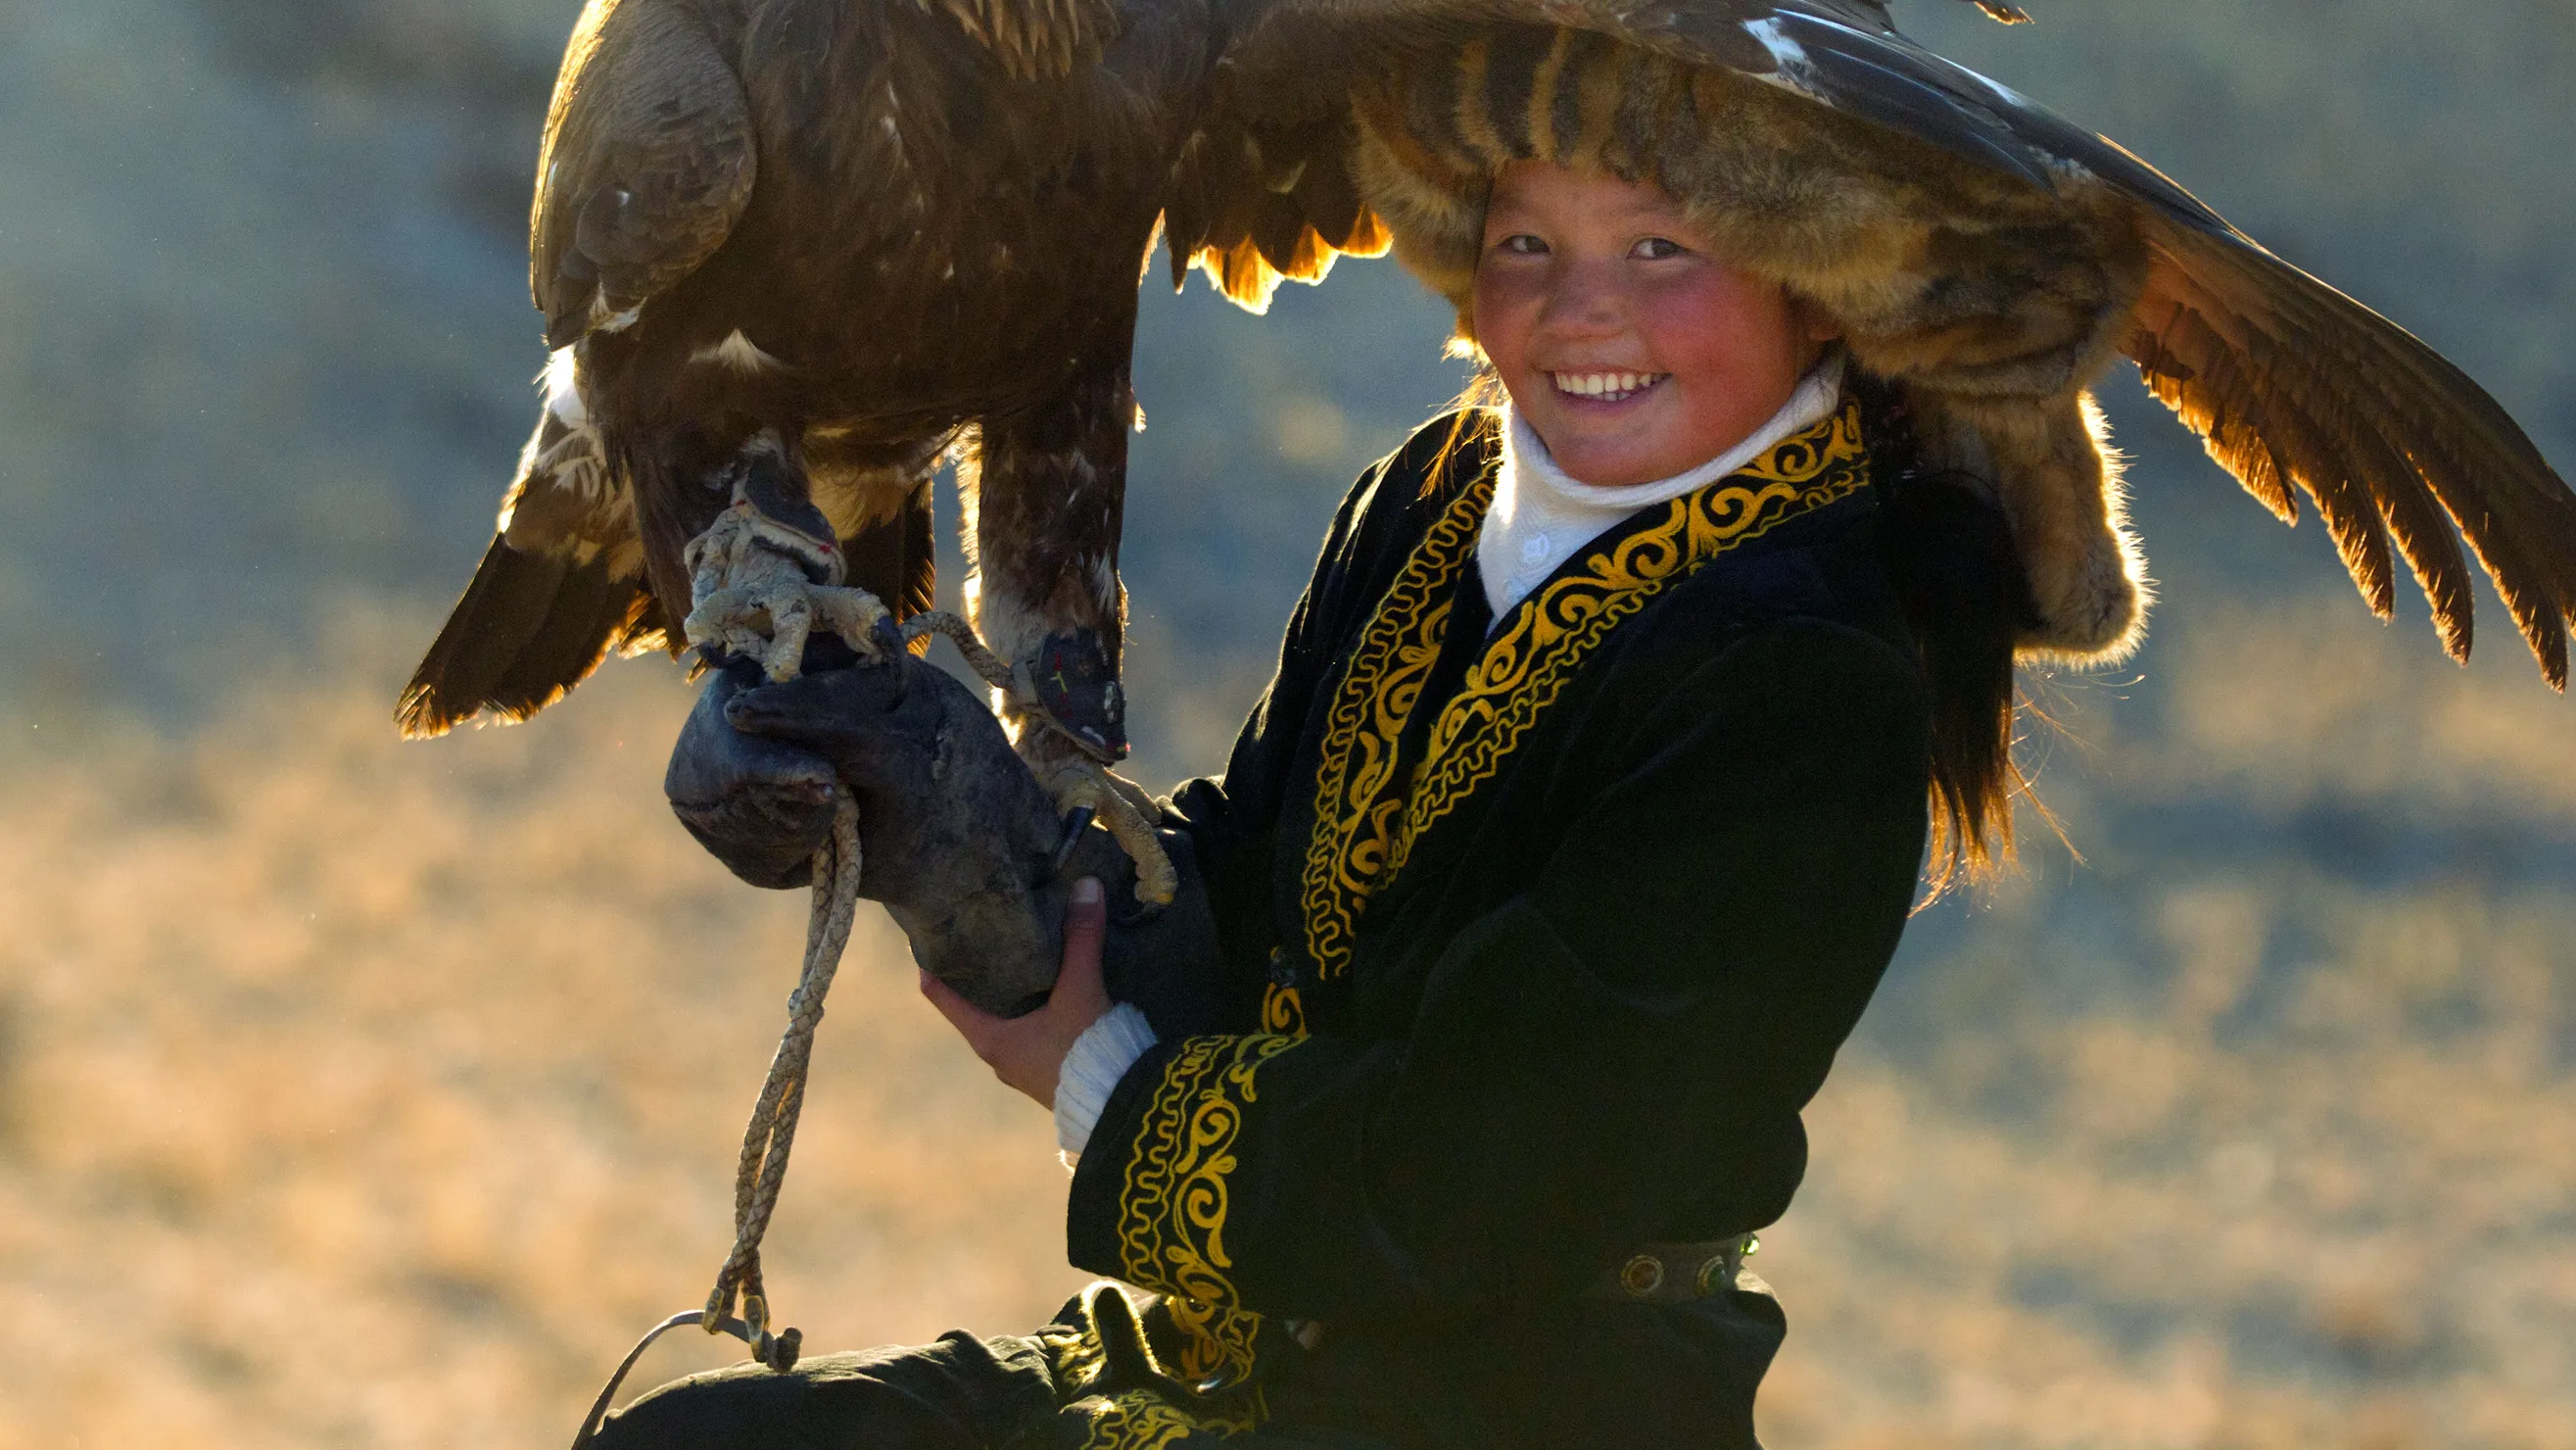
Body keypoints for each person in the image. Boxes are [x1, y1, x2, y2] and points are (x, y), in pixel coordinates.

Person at [599, 155, 2037, 1449]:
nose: (1579, 310)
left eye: (1661, 248)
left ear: (1821, 286)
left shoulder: (1807, 675)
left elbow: (1499, 1165)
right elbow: (1242, 872)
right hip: (1245, 1344)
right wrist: (916, 789)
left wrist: (1105, 1087)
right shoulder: (1430, 491)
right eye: (1527, 243)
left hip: (1534, 1398)